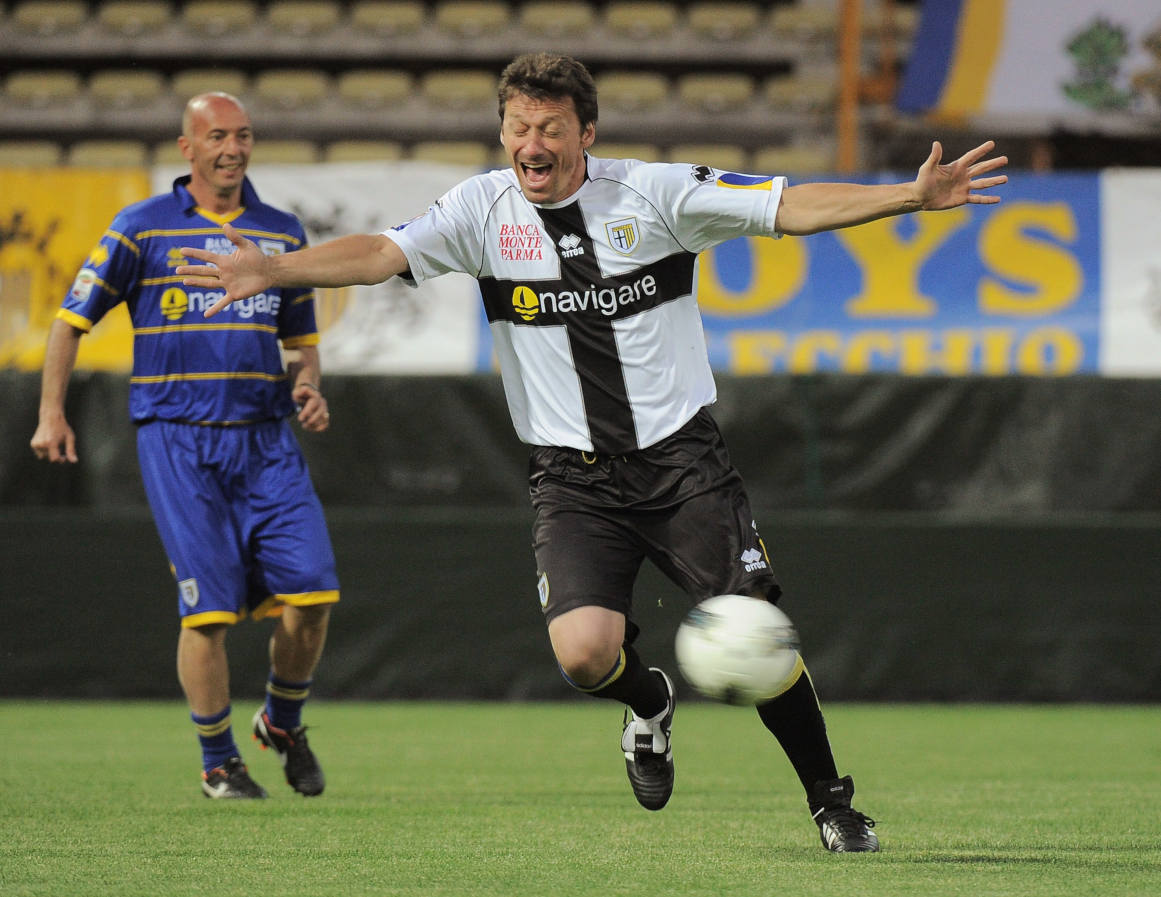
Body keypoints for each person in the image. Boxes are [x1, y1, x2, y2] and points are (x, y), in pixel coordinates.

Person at [178, 54, 1008, 847]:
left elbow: (787, 204)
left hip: (681, 466)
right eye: (516, 126)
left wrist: (907, 196)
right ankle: (647, 704)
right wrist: (276, 269)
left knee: (759, 638)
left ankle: (832, 805)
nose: (530, 144)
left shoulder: (655, 194)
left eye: (548, 127)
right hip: (571, 478)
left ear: (586, 134)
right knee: (582, 657)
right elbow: (378, 253)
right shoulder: (480, 210)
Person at [30, 92, 340, 800]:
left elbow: (302, 346)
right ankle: (218, 763)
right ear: (187, 146)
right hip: (178, 441)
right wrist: (52, 413)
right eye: (218, 136)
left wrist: (309, 387)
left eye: (244, 136)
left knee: (315, 595)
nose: (233, 148)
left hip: (266, 438)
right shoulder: (141, 229)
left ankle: (283, 722)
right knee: (208, 612)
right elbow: (68, 320)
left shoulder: (281, 234)